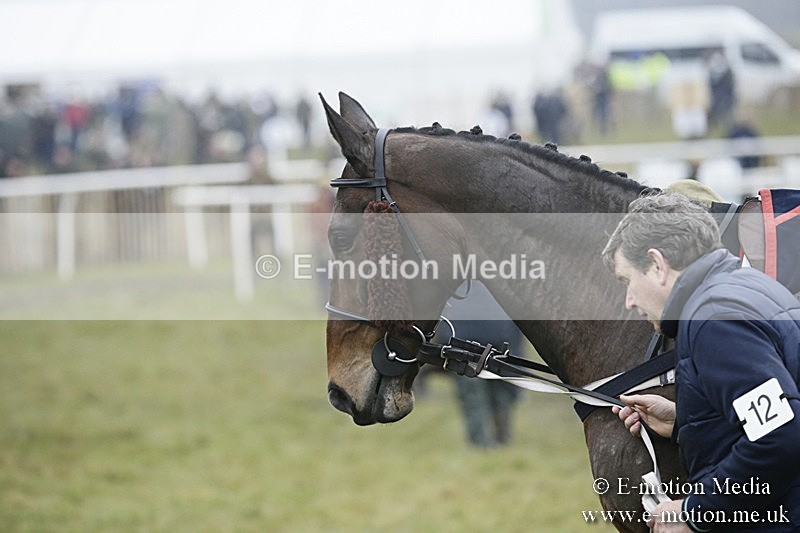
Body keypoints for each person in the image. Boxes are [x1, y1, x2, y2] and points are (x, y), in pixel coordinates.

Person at [602, 193, 800, 532]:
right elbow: (767, 412)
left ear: (657, 264)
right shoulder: (743, 286)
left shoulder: (713, 320)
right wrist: (685, 421)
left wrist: (695, 511)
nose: (629, 301)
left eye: (627, 281)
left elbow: (779, 433)